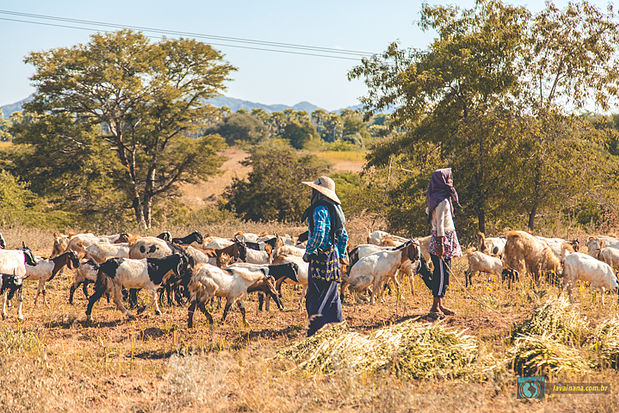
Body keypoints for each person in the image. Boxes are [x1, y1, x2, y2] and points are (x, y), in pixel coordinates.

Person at [301, 176, 349, 336]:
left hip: (320, 258)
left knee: (316, 295)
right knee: (331, 294)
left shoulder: (319, 209)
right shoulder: (335, 210)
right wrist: (341, 254)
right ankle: (337, 328)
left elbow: (319, 233)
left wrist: (309, 251)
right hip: (332, 256)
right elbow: (344, 236)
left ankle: (315, 332)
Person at [416, 168, 462, 320]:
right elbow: (440, 223)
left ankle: (440, 304)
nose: (451, 182)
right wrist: (441, 244)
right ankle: (435, 306)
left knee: (443, 271)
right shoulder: (441, 201)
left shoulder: (437, 197)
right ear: (442, 182)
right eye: (448, 179)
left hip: (442, 238)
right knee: (442, 273)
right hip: (442, 239)